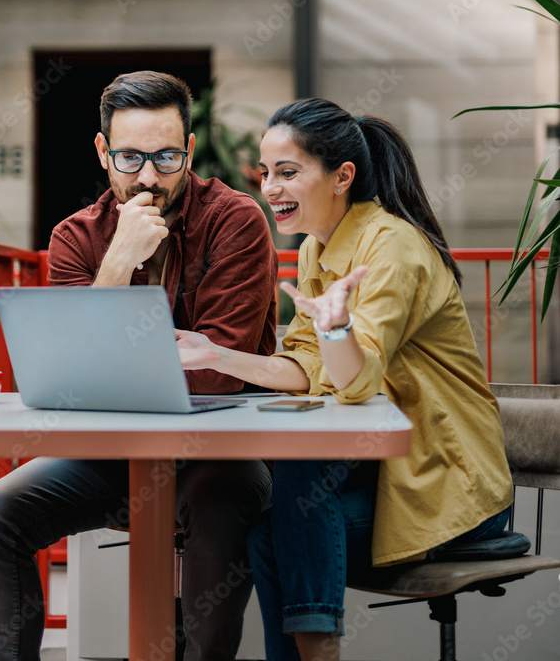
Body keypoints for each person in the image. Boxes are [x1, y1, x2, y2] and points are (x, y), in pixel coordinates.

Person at [177, 97, 513, 661]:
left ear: (342, 177)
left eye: (287, 172)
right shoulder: (316, 248)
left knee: (297, 482)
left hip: (450, 486)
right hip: (386, 475)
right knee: (272, 529)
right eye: (265, 173)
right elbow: (309, 371)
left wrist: (336, 334)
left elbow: (354, 384)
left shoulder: (393, 247)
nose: (270, 188)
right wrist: (217, 356)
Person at [0, 70, 278, 661]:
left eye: (166, 156)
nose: (150, 177)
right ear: (104, 151)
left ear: (189, 150)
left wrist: (104, 367)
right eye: (131, 157)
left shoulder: (235, 221)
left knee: (221, 501)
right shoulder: (77, 237)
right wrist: (118, 262)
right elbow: (66, 372)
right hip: (108, 456)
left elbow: (218, 371)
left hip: (217, 451)